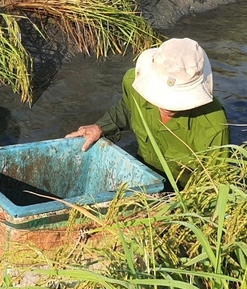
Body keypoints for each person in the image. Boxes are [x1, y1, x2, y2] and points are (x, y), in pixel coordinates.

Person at [66, 37, 230, 186]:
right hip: (144, 174)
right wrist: (100, 127)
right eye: (161, 94)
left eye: (176, 100)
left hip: (184, 191)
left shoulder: (213, 125)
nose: (167, 105)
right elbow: (127, 108)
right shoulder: (134, 83)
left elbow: (215, 184)